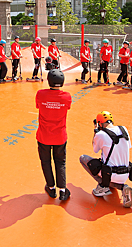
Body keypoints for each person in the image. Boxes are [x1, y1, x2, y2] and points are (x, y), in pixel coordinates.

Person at [79, 111, 132, 208]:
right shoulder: (124, 129)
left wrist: (95, 133)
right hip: (125, 173)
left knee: (83, 158)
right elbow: (128, 146)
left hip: (109, 174)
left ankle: (102, 186)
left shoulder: (101, 134)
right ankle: (123, 187)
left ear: (99, 123)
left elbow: (95, 150)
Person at [35, 69, 72, 201]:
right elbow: (67, 107)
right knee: (60, 162)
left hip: (44, 136)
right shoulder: (67, 96)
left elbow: (38, 106)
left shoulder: (40, 94)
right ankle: (62, 190)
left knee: (46, 161)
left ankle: (51, 188)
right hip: (60, 136)